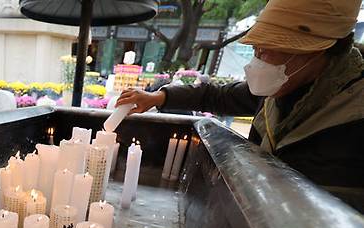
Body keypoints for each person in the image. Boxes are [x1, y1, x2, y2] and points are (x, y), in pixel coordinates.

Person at [116, 0, 364, 207]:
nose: (257, 61)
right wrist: (159, 97)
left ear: (315, 51)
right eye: (256, 49)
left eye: (267, 50)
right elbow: (217, 96)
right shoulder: (279, 87)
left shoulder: (353, 110)